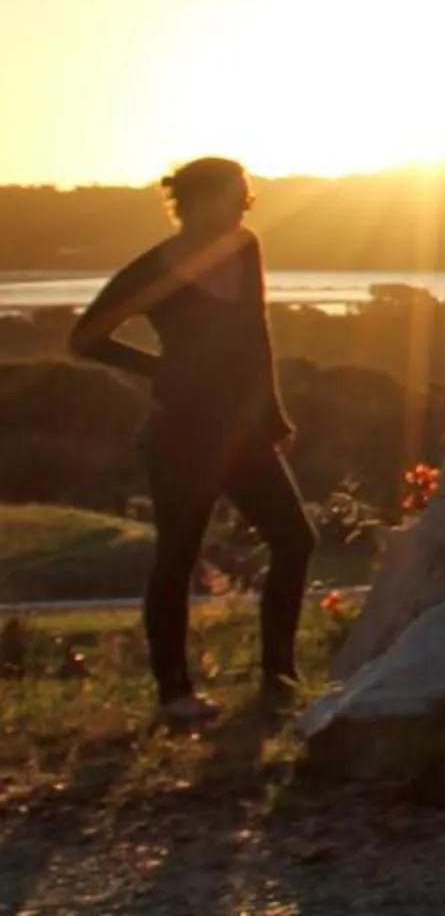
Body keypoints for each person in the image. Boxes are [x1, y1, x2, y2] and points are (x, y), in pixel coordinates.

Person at [68, 157, 316, 726]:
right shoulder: (153, 269)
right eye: (231, 197)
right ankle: (174, 695)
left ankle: (279, 679)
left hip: (242, 432)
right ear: (194, 201)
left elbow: (257, 333)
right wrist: (163, 371)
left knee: (295, 540)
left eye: (244, 197)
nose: (241, 206)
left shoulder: (244, 247)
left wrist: (272, 412)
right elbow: (85, 339)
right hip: (179, 432)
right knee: (177, 555)